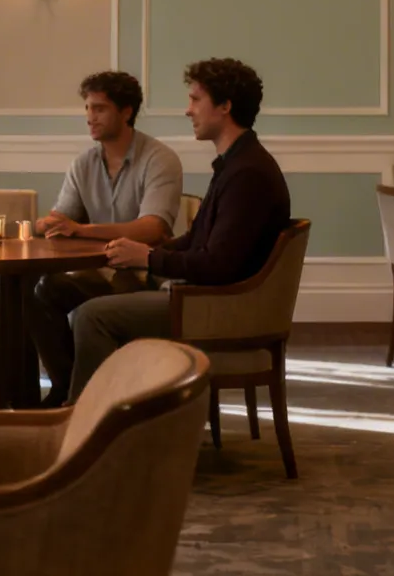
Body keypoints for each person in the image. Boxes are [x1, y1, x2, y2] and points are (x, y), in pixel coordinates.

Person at [65, 58, 290, 403]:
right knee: (76, 297)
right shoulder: (236, 164)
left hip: (216, 309)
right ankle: (111, 415)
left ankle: (89, 424)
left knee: (91, 316)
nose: (188, 110)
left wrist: (150, 258)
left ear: (225, 106)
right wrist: (148, 255)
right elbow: (198, 241)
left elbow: (218, 265)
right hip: (208, 300)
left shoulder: (247, 174)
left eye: (195, 99)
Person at [25, 71, 185, 406]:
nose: (89, 118)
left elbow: (152, 228)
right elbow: (61, 218)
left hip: (144, 278)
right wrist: (46, 223)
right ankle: (65, 392)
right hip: (99, 274)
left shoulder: (159, 158)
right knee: (39, 291)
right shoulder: (84, 163)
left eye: (99, 109)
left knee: (83, 308)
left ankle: (82, 405)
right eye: (87, 108)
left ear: (126, 112)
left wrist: (81, 230)